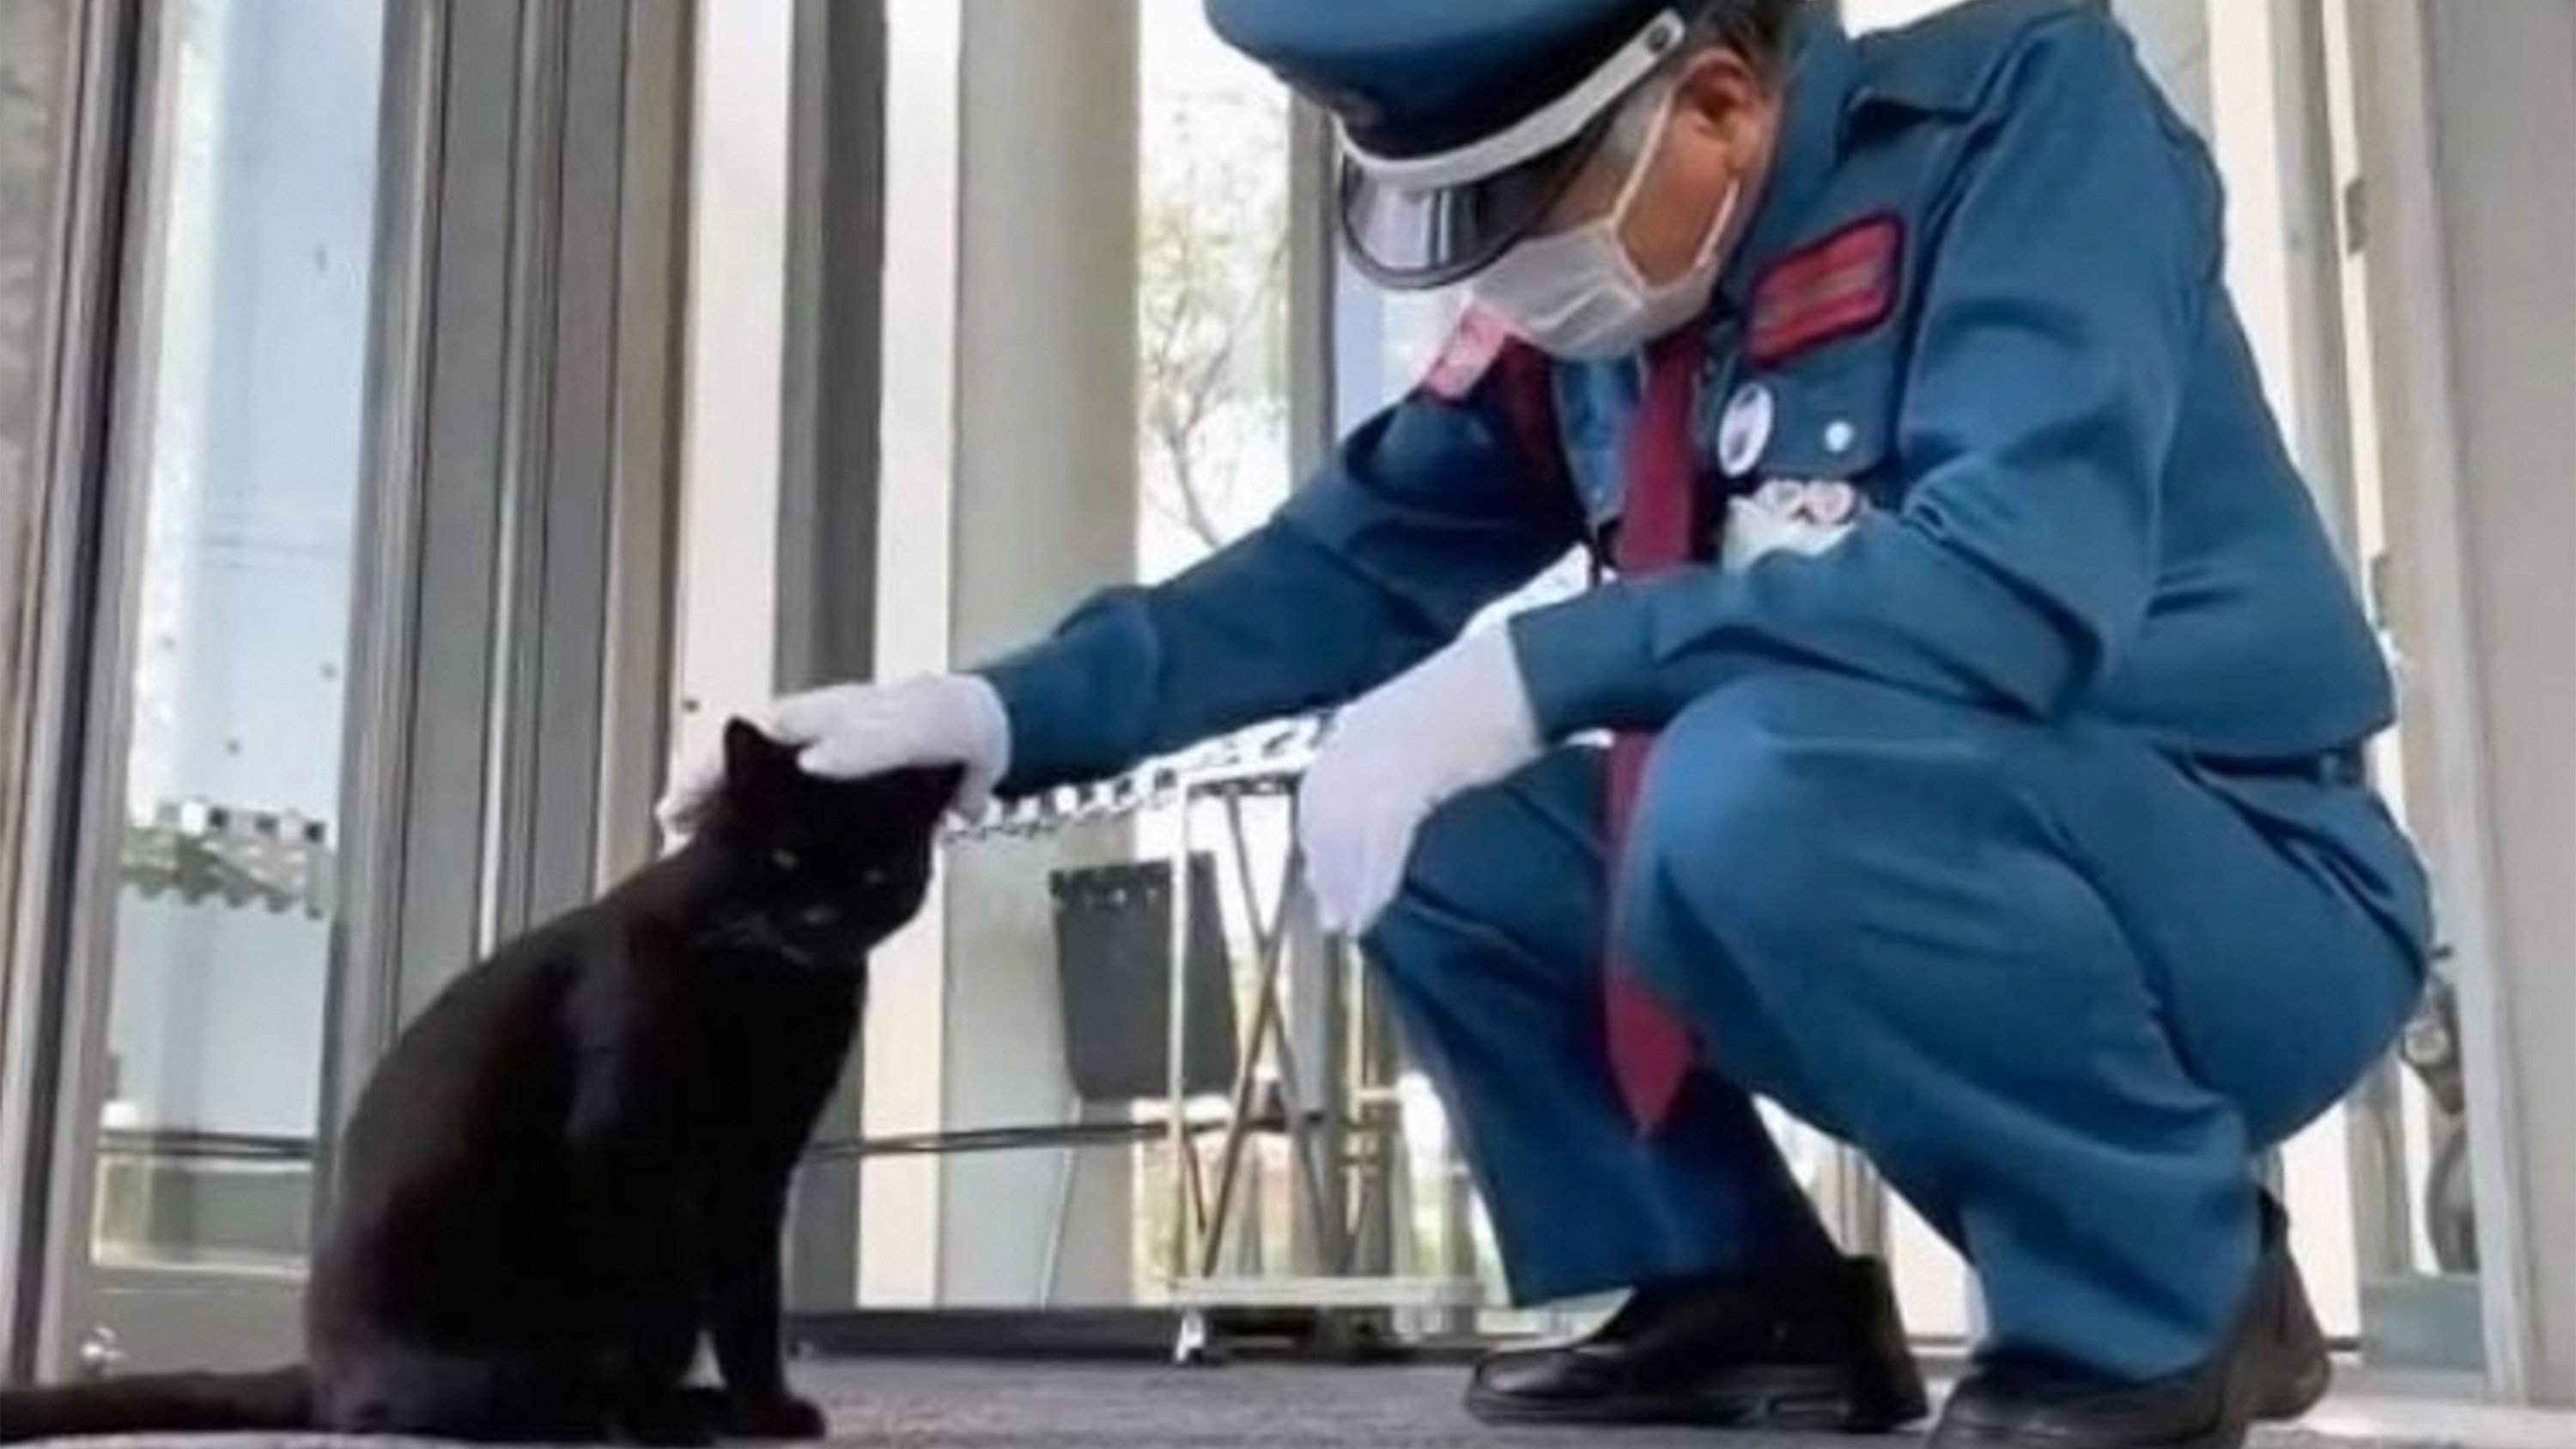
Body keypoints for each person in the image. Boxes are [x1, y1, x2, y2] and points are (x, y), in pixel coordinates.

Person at [661, 3, 2432, 1446]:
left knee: (1737, 779)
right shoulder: (1610, 299)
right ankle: (1738, 1295)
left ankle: (2165, 1293)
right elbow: (1329, 575)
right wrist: (986, 713)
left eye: (1514, 209)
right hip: (1852, 829)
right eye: (1439, 221)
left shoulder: (2031, 130)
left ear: (1720, 103)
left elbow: (2009, 587)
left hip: (2234, 877)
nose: (1485, 275)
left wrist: (1545, 666)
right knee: (1421, 825)